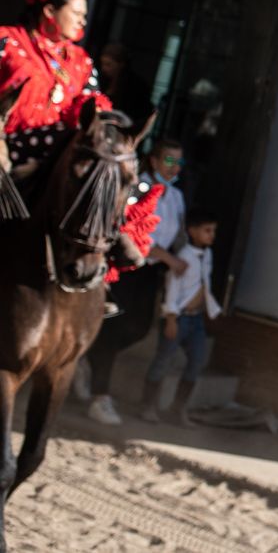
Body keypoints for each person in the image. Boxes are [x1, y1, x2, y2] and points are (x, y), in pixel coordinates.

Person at [82, 137, 189, 426]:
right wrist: (167, 258)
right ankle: (99, 394)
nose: (174, 167)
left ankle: (89, 363)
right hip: (127, 266)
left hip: (150, 272)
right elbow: (127, 229)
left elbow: (176, 235)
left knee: (139, 328)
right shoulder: (138, 187)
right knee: (111, 328)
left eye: (179, 162)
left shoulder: (176, 196)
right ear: (153, 161)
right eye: (168, 160)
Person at [0, 0, 111, 181]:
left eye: (84, 15)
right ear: (50, 11)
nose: (83, 21)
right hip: (7, 141)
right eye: (77, 13)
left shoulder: (82, 61)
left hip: (54, 153)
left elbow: (90, 102)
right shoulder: (7, 41)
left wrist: (94, 111)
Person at [140, 208, 222, 426]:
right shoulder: (182, 257)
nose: (211, 235)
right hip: (179, 317)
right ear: (192, 231)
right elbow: (173, 288)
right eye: (206, 230)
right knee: (163, 361)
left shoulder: (208, 255)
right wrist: (171, 318)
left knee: (196, 362)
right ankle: (148, 406)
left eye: (213, 231)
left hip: (196, 319)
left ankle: (178, 409)